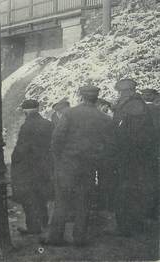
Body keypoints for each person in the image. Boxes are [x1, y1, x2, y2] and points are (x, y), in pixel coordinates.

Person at [42, 85, 114, 246]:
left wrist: (59, 160)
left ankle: (55, 237)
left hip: (67, 165)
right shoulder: (104, 119)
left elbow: (56, 140)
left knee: (62, 201)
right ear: (96, 98)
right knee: (84, 202)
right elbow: (109, 145)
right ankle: (79, 238)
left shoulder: (70, 113)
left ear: (81, 96)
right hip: (88, 167)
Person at [112, 80, 158, 234]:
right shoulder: (133, 105)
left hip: (130, 157)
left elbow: (127, 133)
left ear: (128, 91)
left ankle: (127, 226)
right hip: (134, 156)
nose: (120, 95)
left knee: (127, 190)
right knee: (133, 190)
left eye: (122, 92)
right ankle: (132, 224)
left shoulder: (133, 106)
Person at [11, 99, 54, 234]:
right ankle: (44, 222)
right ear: (38, 109)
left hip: (29, 168)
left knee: (29, 198)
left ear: (25, 111)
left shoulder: (27, 126)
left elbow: (21, 149)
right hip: (45, 167)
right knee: (42, 196)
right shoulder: (49, 124)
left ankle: (33, 228)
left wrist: (14, 159)